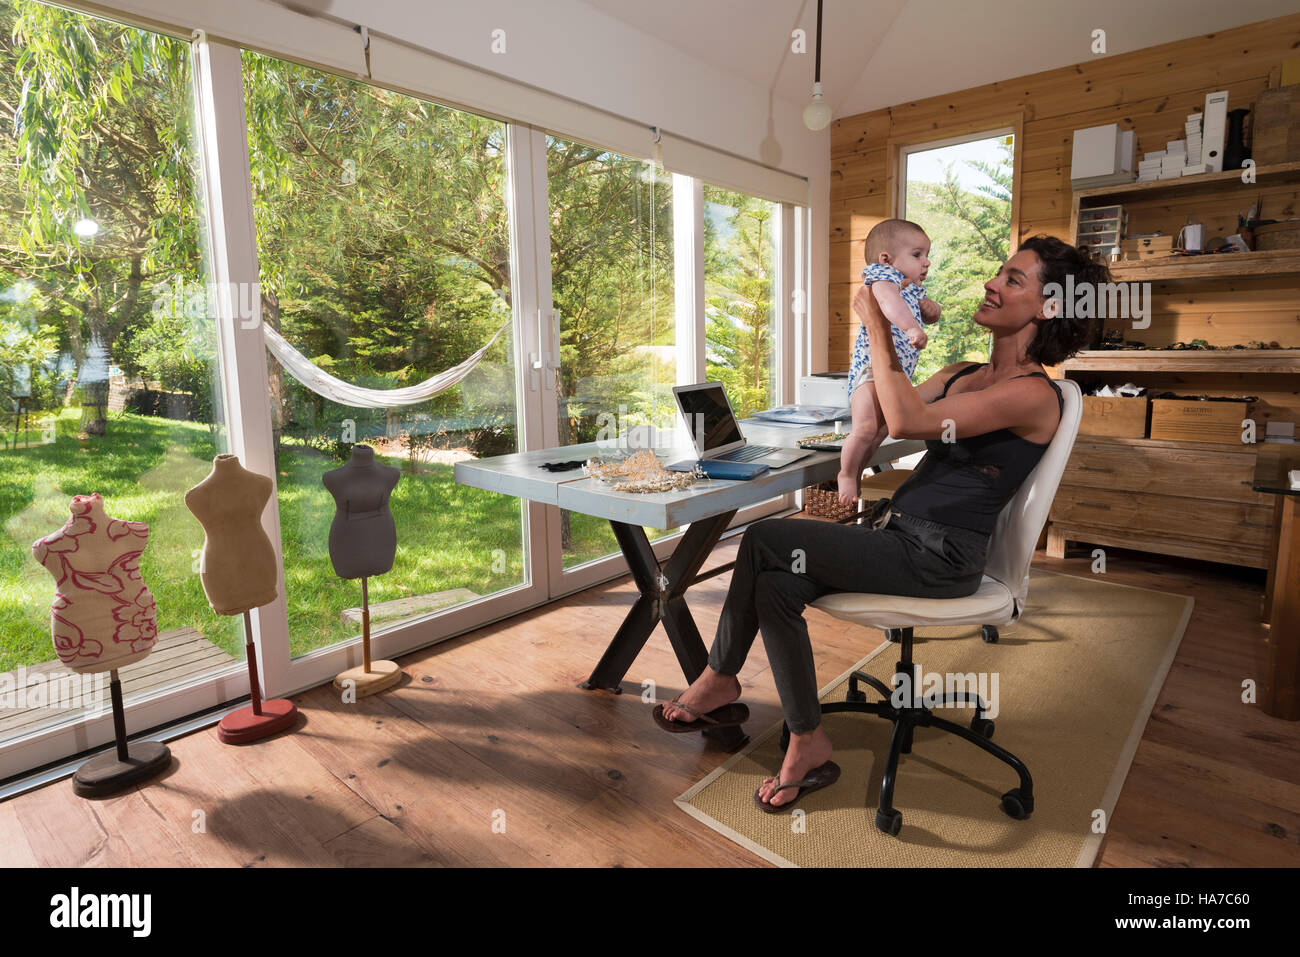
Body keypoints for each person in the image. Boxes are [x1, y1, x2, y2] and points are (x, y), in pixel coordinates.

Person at [654, 235, 1110, 811]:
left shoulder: (1034, 394)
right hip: (897, 536)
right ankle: (806, 738)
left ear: (1049, 308)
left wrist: (880, 327)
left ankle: (721, 677)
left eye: (1013, 280)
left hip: (943, 559)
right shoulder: (961, 373)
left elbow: (906, 416)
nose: (992, 283)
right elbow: (885, 420)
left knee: (766, 535)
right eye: (998, 272)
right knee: (777, 579)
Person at [837, 219, 943, 506]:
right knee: (865, 428)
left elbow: (927, 313)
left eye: (926, 255)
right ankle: (846, 473)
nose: (926, 262)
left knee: (880, 430)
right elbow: (888, 303)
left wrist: (932, 311)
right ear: (887, 259)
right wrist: (912, 328)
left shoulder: (910, 287)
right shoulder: (883, 278)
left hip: (892, 372)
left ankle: (857, 470)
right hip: (871, 368)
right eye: (917, 254)